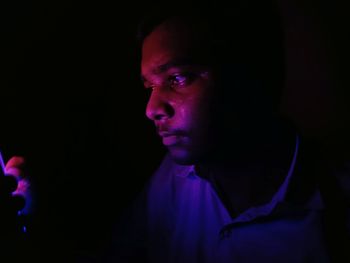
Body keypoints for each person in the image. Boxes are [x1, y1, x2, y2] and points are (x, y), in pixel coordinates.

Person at [107, 1, 350, 263]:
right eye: (149, 87)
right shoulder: (175, 176)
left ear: (248, 74)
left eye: (177, 78)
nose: (151, 109)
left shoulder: (335, 209)